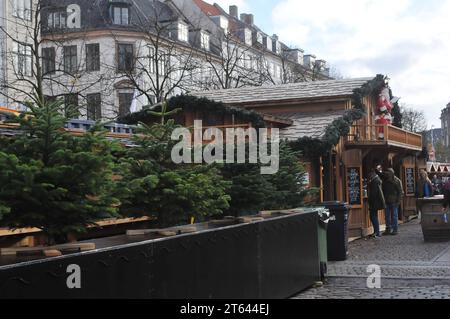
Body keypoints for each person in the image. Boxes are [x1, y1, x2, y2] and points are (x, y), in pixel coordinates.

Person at [382, 168, 404, 236]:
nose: (387, 174)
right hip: (387, 200)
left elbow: (400, 192)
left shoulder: (397, 181)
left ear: (391, 173)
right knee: (387, 216)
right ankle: (388, 229)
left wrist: (398, 201)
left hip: (394, 201)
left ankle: (395, 229)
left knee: (394, 216)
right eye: (387, 173)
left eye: (388, 173)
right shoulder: (385, 180)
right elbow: (383, 190)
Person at [367, 168, 386, 238]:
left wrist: (370, 200)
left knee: (373, 217)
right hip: (376, 202)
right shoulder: (377, 180)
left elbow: (373, 194)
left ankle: (377, 232)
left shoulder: (375, 181)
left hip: (374, 202)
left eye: (369, 175)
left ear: (372, 174)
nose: (369, 176)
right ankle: (376, 232)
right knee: (374, 216)